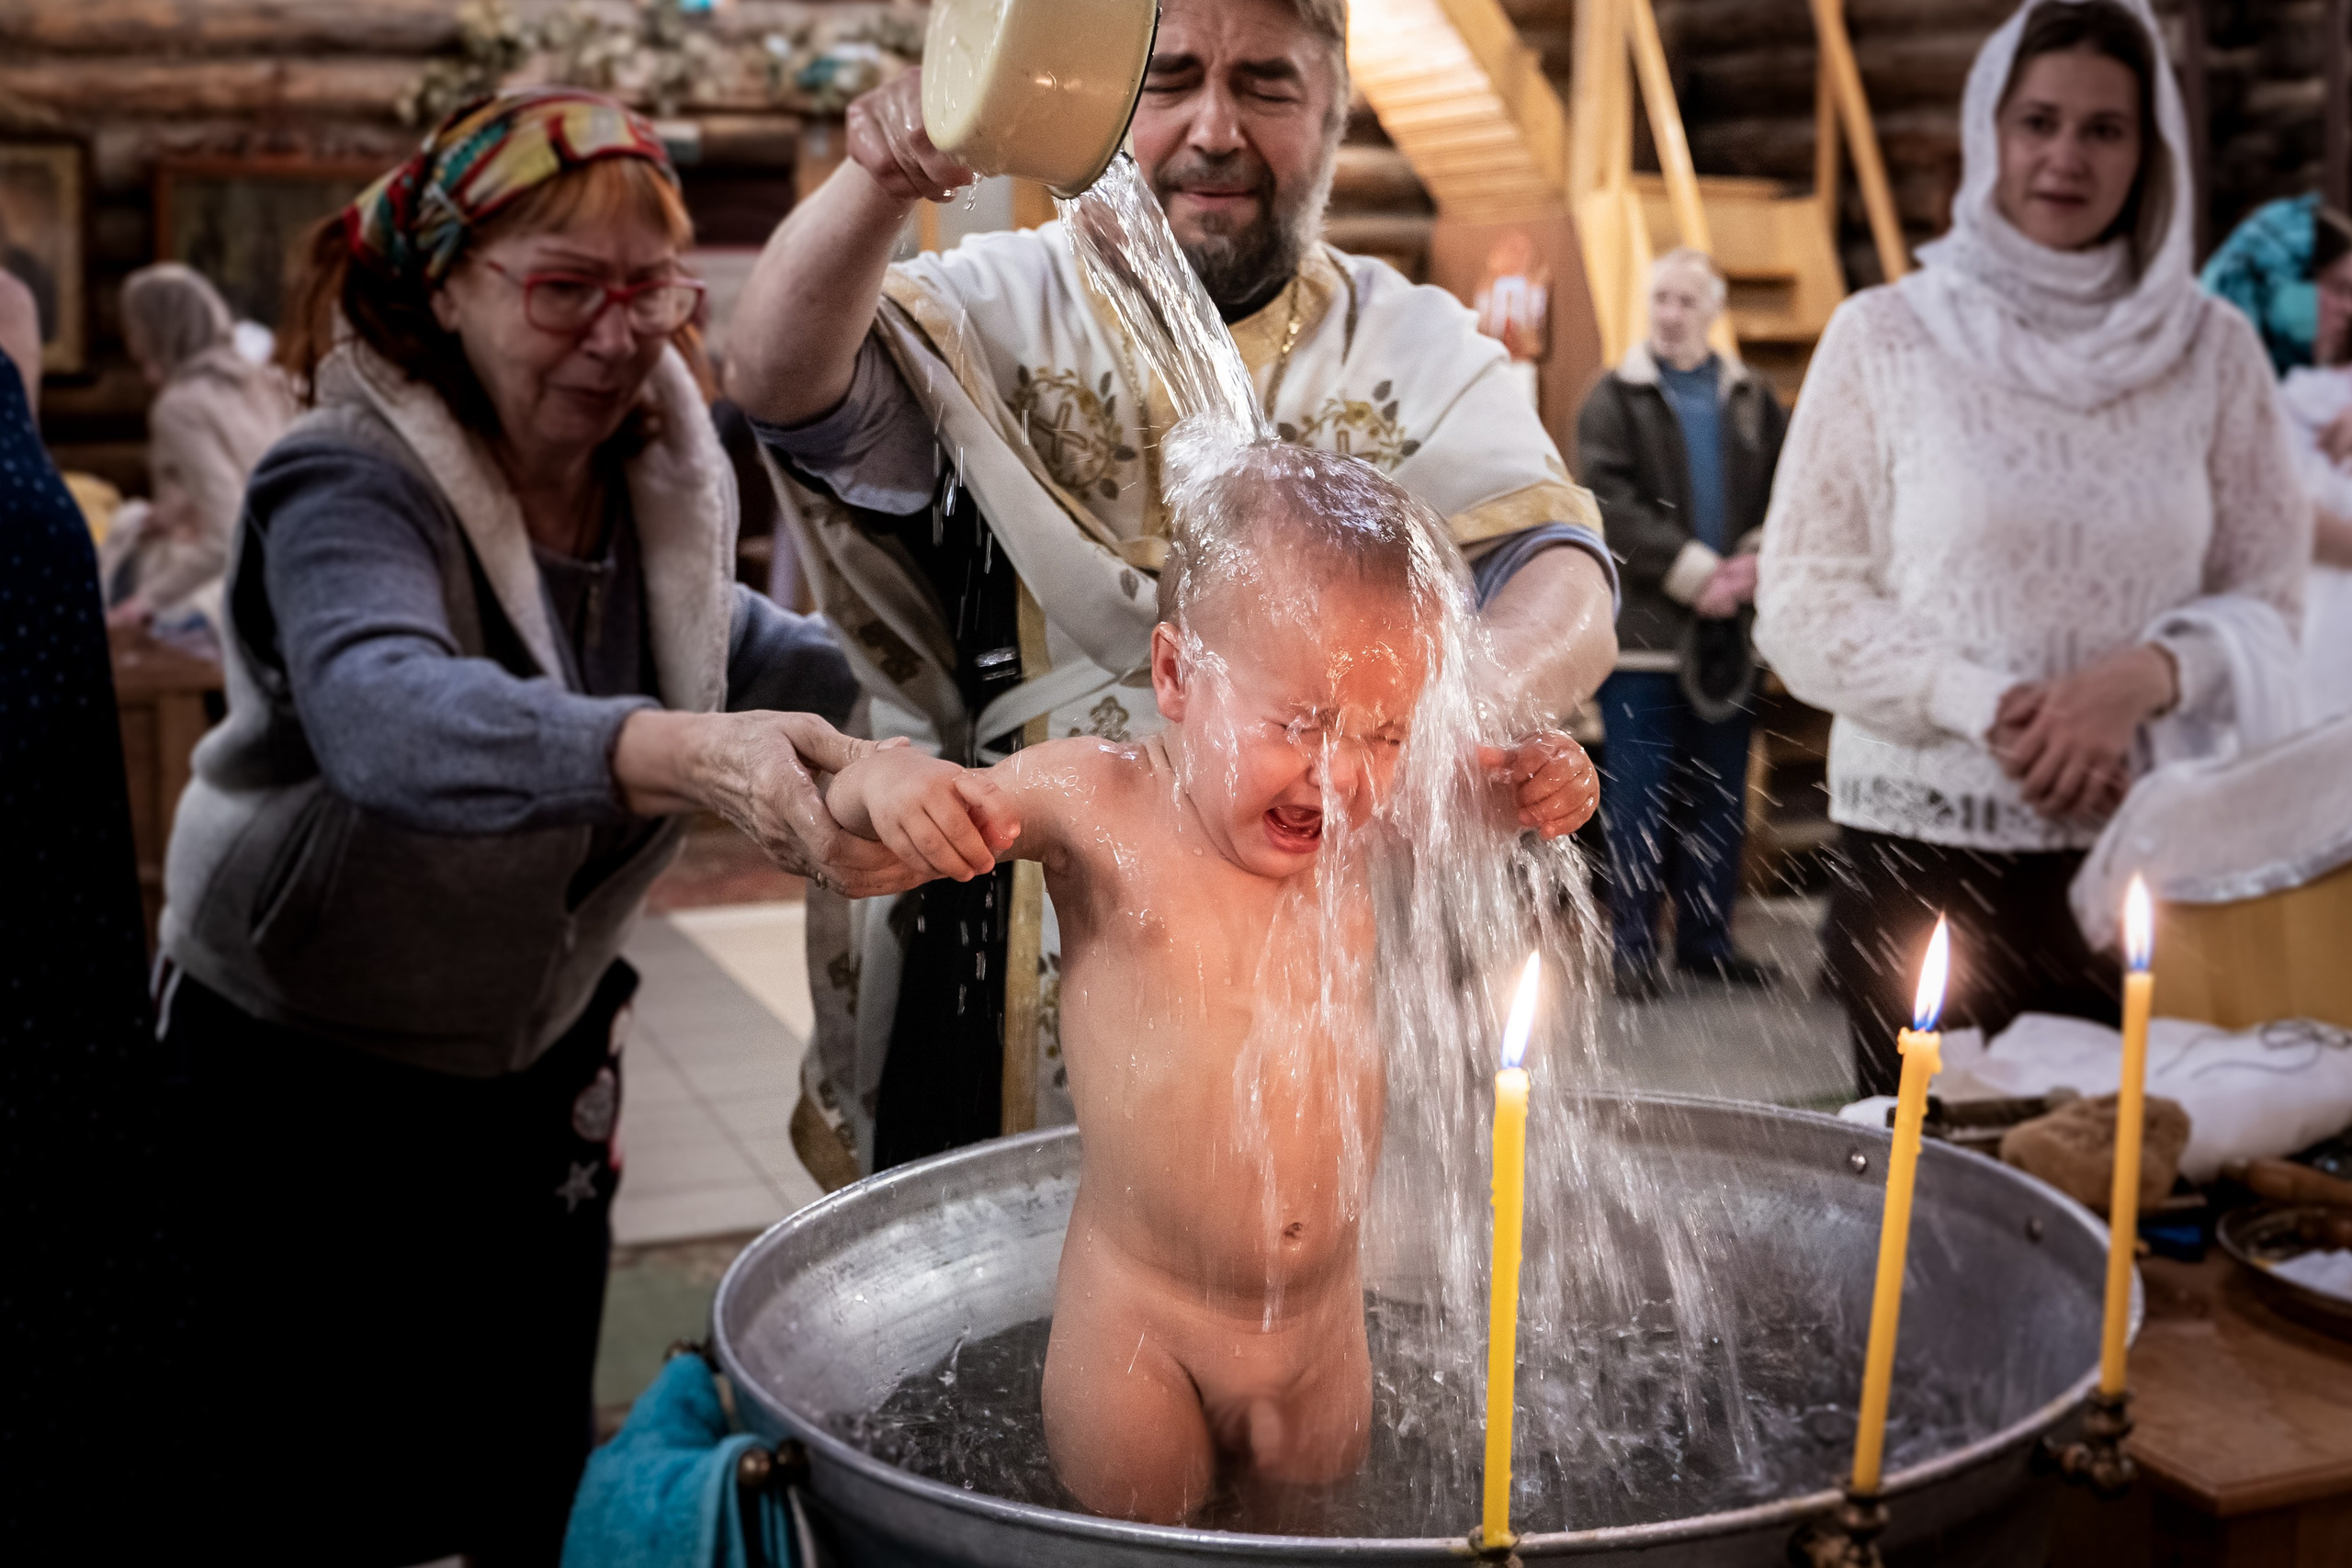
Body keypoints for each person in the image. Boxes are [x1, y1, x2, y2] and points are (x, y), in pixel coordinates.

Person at [156, 90, 915, 1563]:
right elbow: (388, 710)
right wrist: (685, 750)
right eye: (565, 287)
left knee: (513, 1441)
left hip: (534, 1059)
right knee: (285, 1461)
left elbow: (745, 644)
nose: (618, 332)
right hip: (301, 1058)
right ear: (446, 285)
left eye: (650, 289)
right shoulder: (344, 478)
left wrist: (935, 709)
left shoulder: (652, 485)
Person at [725, 0, 1619, 1175]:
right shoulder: (989, 307)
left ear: (1335, 110)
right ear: (1101, 103)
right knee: (998, 1287)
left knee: (1305, 1270)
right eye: (1172, 79)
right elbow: (779, 382)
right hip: (1015, 887)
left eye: (1267, 86)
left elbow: (1561, 576)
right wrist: (876, 182)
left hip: (1333, 877)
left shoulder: (1415, 344)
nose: (1215, 129)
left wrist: (1451, 722)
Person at [823, 432, 1593, 1521]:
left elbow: (1486, 791)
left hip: (1322, 1329)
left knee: (1314, 1545)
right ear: (1178, 675)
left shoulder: (1364, 806)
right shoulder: (1100, 803)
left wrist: (1543, 782)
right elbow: (924, 808)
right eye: (1300, 723)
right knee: (1140, 1555)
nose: (1340, 774)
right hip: (1143, 1327)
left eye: (1383, 731)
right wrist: (887, 783)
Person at [1754, 0, 2309, 1096]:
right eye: (2038, 121)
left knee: (2124, 1212)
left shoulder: (2214, 353)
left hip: (2140, 865)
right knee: (1928, 1214)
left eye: (2105, 129)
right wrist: (1990, 704)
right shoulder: (1887, 336)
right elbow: (1805, 599)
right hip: (1921, 867)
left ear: (2150, 152)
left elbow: (2269, 598)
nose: (2066, 155)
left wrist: (2142, 678)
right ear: (1987, 132)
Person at [1577, 248, 1788, 999]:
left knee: (1720, 797)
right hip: (1643, 644)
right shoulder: (1613, 399)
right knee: (1637, 801)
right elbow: (1605, 504)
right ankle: (1632, 947)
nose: (1669, 314)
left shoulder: (1752, 400)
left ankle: (1706, 942)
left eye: (1685, 301)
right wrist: (1697, 573)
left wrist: (1752, 564)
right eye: (1660, 298)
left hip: (1727, 640)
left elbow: (1784, 493)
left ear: (1713, 309)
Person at [103, 262, 296, 639]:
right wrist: (171, 513)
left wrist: (146, 601)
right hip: (293, 571)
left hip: (238, 588)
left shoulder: (180, 407)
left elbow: (229, 529)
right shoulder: (270, 381)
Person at [2275, 207, 2352, 722]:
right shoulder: (2280, 396)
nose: (2346, 308)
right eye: (2334, 288)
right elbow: (2282, 523)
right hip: (2311, 671)